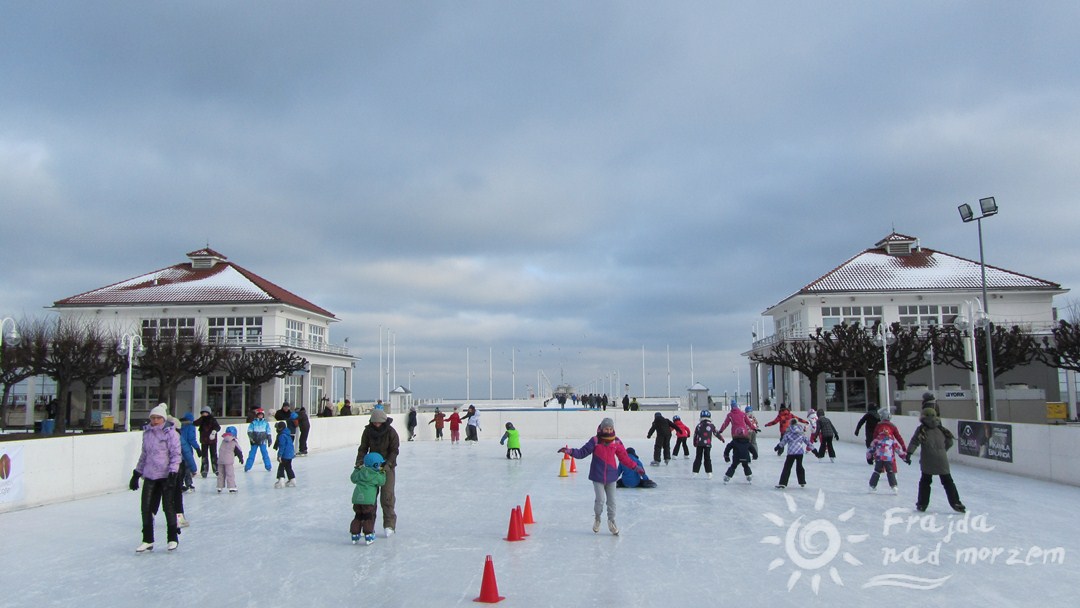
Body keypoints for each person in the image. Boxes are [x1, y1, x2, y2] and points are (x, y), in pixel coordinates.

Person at [558, 418, 644, 535]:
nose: (608, 431)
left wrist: (635, 467)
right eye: (606, 429)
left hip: (611, 476)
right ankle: (597, 518)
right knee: (600, 500)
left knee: (612, 502)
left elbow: (624, 458)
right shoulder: (595, 441)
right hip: (597, 476)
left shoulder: (616, 442)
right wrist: (570, 451)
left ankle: (612, 521)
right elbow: (582, 452)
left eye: (610, 429)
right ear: (602, 428)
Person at [129, 403, 181, 553]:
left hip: (166, 475)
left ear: (163, 418)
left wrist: (173, 472)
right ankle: (147, 540)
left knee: (168, 507)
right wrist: (137, 473)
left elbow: (176, 454)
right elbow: (144, 455)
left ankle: (172, 538)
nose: (155, 420)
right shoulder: (147, 434)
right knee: (146, 508)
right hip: (150, 475)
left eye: (158, 418)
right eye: (153, 418)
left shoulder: (170, 433)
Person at [906, 407, 966, 513]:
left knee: (925, 481)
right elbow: (950, 442)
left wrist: (909, 453)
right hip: (942, 459)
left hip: (928, 459)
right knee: (948, 482)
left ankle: (922, 504)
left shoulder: (922, 429)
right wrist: (942, 450)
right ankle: (956, 502)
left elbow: (915, 441)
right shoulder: (941, 429)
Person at [354, 408, 400, 536]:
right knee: (370, 498)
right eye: (374, 423)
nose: (377, 425)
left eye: (379, 423)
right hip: (371, 468)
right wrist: (359, 462)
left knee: (387, 496)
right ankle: (369, 525)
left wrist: (388, 464)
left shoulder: (391, 432)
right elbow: (363, 448)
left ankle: (389, 524)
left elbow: (394, 450)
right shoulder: (368, 431)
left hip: (387, 468)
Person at [351, 452, 387, 545]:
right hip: (368, 501)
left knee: (358, 516)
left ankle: (355, 534)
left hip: (357, 500)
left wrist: (357, 469)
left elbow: (353, 478)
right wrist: (382, 472)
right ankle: (368, 534)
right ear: (376, 465)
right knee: (368, 517)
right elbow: (382, 481)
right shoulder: (375, 475)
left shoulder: (360, 473)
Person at [868, 427, 906, 494]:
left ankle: (872, 486)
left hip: (879, 458)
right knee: (890, 472)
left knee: (877, 471)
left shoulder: (876, 440)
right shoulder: (891, 440)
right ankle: (894, 486)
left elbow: (871, 449)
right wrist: (904, 457)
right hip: (888, 458)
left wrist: (869, 456)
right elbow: (898, 449)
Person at [775, 422, 812, 489]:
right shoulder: (801, 434)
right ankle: (802, 482)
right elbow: (808, 442)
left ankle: (783, 483)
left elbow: (783, 442)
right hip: (800, 452)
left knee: (787, 467)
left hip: (791, 453)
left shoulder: (788, 433)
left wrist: (777, 447)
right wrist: (814, 450)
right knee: (799, 466)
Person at [692, 410, 725, 479]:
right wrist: (721, 438)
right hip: (708, 444)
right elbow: (716, 433)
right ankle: (709, 472)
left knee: (698, 457)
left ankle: (695, 472)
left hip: (699, 444)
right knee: (707, 458)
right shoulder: (711, 425)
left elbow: (695, 435)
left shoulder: (699, 425)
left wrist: (695, 443)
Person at [193, 407, 220, 478]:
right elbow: (195, 423)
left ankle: (216, 469)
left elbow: (217, 427)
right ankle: (204, 470)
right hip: (204, 441)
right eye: (203, 413)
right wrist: (201, 418)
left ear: (208, 413)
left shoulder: (212, 419)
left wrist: (214, 432)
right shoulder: (201, 420)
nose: (204, 414)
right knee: (204, 456)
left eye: (205, 412)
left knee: (213, 455)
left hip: (212, 441)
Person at [216, 426, 244, 493]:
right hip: (228, 461)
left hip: (220, 460)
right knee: (230, 474)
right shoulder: (234, 442)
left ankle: (219, 487)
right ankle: (232, 487)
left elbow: (220, 450)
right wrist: (241, 458)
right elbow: (238, 451)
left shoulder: (223, 441)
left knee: (221, 474)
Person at [178, 412, 200, 493]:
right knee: (187, 467)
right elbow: (191, 439)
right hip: (186, 449)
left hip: (177, 449)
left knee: (179, 468)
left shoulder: (179, 426)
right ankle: (189, 483)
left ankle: (179, 484)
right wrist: (197, 448)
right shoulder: (191, 426)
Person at [273, 421, 297, 488]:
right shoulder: (287, 433)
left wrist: (280, 455)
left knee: (281, 467)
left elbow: (282, 446)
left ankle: (281, 480)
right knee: (288, 467)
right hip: (290, 454)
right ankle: (292, 479)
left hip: (285, 455)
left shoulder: (282, 436)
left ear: (280, 428)